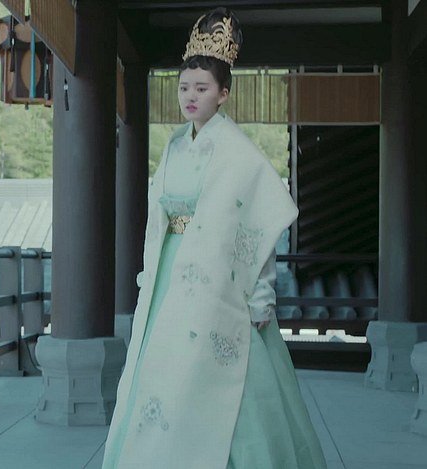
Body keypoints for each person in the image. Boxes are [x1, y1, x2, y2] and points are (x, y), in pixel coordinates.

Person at [103, 8, 327, 468]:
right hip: (172, 273)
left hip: (217, 280)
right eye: (184, 87)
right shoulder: (175, 145)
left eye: (202, 88)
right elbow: (159, 215)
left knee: (225, 380)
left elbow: (256, 224)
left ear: (223, 94)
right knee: (165, 372)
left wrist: (262, 293)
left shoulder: (237, 152)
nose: (190, 96)